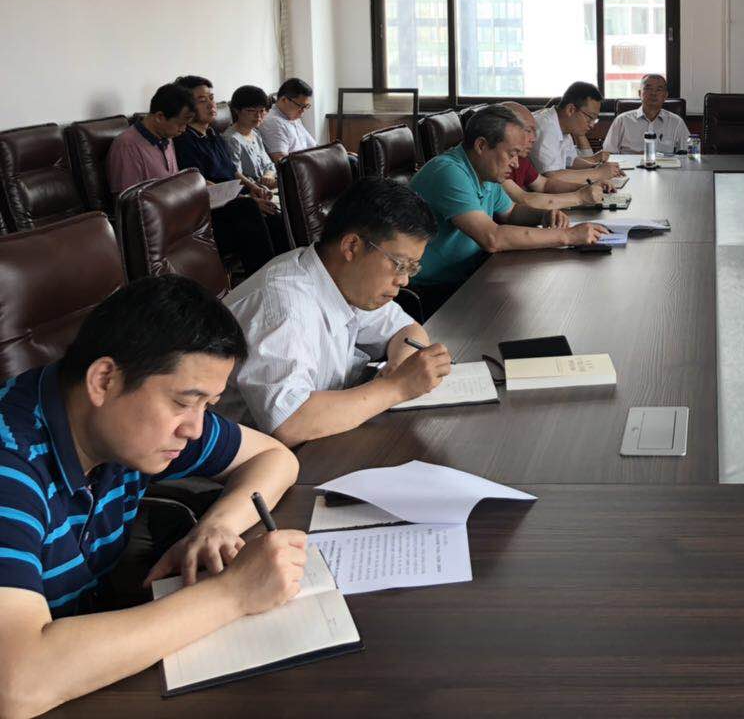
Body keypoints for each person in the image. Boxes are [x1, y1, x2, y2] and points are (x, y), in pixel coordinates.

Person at [0, 276, 305, 716]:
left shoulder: (124, 428)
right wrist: (234, 593)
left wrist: (217, 525)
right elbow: (17, 683)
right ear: (104, 380)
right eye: (184, 402)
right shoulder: (11, 463)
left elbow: (275, 458)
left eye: (208, 405)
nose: (195, 429)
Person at [222, 178, 453, 446]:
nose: (404, 281)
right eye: (400, 265)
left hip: (313, 445)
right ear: (351, 246)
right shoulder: (282, 306)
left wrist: (399, 368)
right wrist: (397, 387)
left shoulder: (344, 279)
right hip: (248, 463)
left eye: (412, 268)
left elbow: (406, 330)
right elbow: (289, 422)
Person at [410, 105, 610, 312]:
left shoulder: (484, 171)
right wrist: (568, 236)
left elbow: (512, 212)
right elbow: (493, 238)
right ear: (481, 146)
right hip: (434, 292)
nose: (516, 164)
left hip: (471, 275)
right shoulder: (449, 172)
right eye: (512, 154)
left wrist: (543, 216)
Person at [173, 75, 286, 275]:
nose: (211, 105)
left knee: (275, 215)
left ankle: (286, 272)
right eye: (202, 100)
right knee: (249, 210)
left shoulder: (212, 135)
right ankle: (262, 278)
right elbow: (199, 185)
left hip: (235, 201)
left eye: (211, 98)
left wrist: (254, 188)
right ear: (186, 107)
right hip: (214, 211)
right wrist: (246, 199)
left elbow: (232, 171)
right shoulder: (184, 141)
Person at [497, 102, 609, 212]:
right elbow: (523, 199)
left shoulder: (520, 158)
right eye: (528, 131)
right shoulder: (497, 162)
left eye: (534, 131)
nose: (534, 139)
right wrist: (579, 197)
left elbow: (544, 184)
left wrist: (586, 188)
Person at [104, 82, 194, 199]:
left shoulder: (167, 136)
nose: (183, 129)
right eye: (180, 124)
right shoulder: (127, 146)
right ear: (160, 117)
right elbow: (129, 202)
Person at [530, 81, 621, 179]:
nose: (592, 125)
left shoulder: (563, 125)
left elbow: (570, 161)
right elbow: (551, 177)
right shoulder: (546, 127)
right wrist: (598, 173)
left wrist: (597, 167)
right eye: (590, 118)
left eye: (595, 120)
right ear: (571, 110)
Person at [602, 73, 690, 154]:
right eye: (648, 89)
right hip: (629, 166)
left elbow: (687, 153)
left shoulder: (676, 122)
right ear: (640, 93)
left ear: (665, 96)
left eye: (659, 89)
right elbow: (608, 153)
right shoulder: (622, 120)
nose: (653, 93)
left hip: (664, 166)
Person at [223, 84, 279, 190]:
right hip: (251, 191)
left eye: (261, 111)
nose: (258, 116)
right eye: (251, 111)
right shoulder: (232, 140)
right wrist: (261, 185)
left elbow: (269, 165)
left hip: (267, 186)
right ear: (237, 110)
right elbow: (237, 177)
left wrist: (268, 176)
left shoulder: (255, 133)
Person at [257, 76, 317, 163]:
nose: (303, 111)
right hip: (298, 169)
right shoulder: (273, 122)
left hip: (308, 164)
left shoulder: (293, 118)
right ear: (284, 100)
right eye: (300, 106)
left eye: (306, 106)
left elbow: (314, 146)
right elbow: (282, 162)